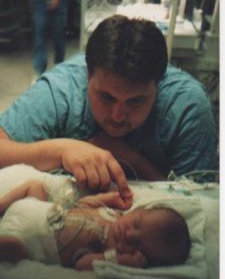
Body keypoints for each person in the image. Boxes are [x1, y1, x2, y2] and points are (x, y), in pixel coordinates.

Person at [0, 15, 217, 196]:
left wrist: (135, 162)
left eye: (136, 101)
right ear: (87, 76)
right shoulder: (62, 91)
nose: (118, 116)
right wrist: (61, 150)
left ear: (158, 85)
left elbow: (200, 207)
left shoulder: (187, 106)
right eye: (106, 97)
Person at [0, 180, 191, 270]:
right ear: (135, 211)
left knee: (15, 251)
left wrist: (115, 259)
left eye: (138, 245)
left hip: (24, 238)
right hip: (38, 208)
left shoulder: (112, 251)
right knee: (35, 186)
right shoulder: (113, 214)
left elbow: (81, 264)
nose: (130, 234)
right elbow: (82, 205)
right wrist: (109, 198)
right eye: (136, 223)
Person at [31, 0, 66, 75]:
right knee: (39, 39)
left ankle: (59, 69)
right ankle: (39, 72)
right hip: (39, 4)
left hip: (58, 4)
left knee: (59, 39)